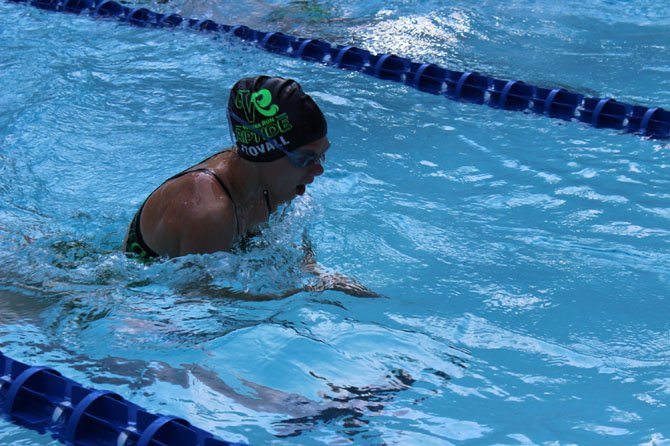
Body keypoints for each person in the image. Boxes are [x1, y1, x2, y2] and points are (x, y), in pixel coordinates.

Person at [123, 75, 330, 259]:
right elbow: (196, 296)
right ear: (265, 155)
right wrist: (306, 290)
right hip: (134, 293)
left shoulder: (269, 184)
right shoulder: (208, 214)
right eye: (305, 159)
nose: (318, 170)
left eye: (322, 156)